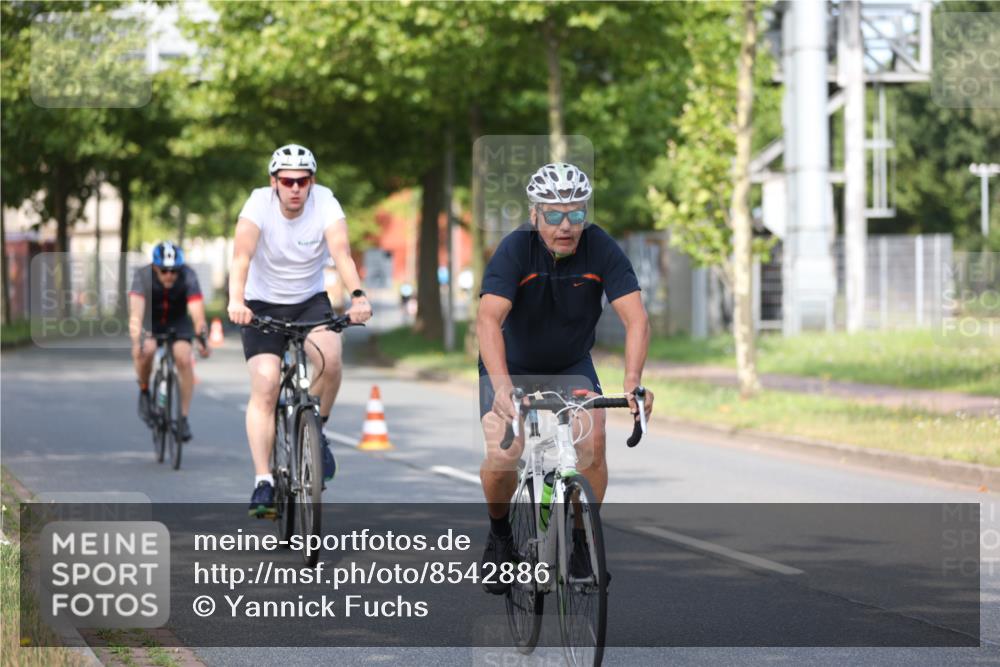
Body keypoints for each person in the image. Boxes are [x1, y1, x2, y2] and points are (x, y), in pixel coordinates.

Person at [476, 162, 655, 593]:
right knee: (505, 453)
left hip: (570, 364)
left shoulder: (601, 248)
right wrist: (502, 388)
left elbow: (636, 319)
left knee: (592, 440)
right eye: (554, 215)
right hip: (511, 365)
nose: (566, 225)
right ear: (535, 214)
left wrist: (632, 381)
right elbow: (487, 320)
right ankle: (501, 539)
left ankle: (580, 542)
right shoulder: (515, 249)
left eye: (576, 214)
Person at [227, 144, 373, 518]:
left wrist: (358, 297)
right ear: (274, 182)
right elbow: (241, 255)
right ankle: (264, 480)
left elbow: (341, 252)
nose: (295, 188)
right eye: (287, 181)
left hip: (309, 300)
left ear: (312, 182)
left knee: (331, 358)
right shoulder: (258, 204)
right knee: (266, 382)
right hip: (260, 304)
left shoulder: (325, 202)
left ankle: (316, 430)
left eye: (302, 180)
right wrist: (236, 301)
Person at [129, 241, 210, 442]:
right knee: (146, 350)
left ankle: (182, 418)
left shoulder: (188, 275)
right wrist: (137, 341)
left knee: (183, 357)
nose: (169, 276)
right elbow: (136, 315)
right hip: (151, 321)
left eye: (174, 271)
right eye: (164, 271)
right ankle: (145, 390)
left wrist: (202, 338)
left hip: (177, 321)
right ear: (155, 267)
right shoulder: (142, 276)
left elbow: (197, 314)